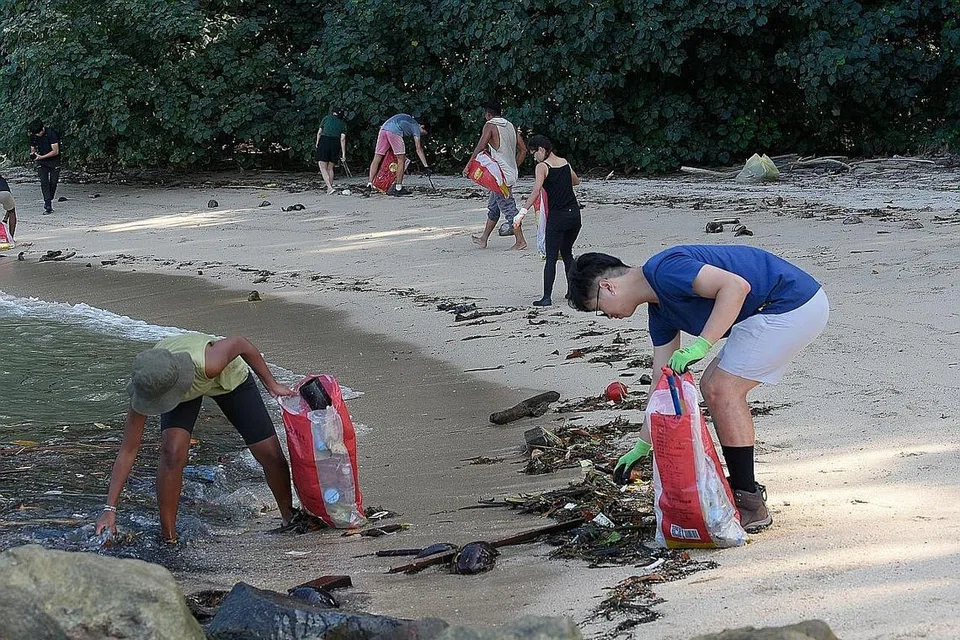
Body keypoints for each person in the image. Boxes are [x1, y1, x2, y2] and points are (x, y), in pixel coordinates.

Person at [565, 246, 829, 532]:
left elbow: (735, 287)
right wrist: (643, 445)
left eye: (598, 310)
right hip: (772, 310)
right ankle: (745, 491)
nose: (607, 317)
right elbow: (661, 381)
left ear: (608, 287)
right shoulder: (660, 311)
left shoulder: (663, 270)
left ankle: (749, 502)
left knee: (721, 389)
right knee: (713, 386)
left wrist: (701, 345)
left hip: (790, 303)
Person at [95, 333, 300, 543]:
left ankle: (288, 517)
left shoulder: (210, 362)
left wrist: (272, 385)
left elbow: (241, 343)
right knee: (172, 453)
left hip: (225, 379)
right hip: (169, 382)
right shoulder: (147, 383)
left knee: (269, 453)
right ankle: (169, 538)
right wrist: (110, 509)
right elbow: (128, 449)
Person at [518, 135, 581, 306]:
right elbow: (575, 181)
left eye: (534, 153)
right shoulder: (564, 162)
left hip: (558, 217)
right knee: (567, 253)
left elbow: (536, 191)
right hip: (574, 215)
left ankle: (546, 297)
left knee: (551, 257)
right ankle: (572, 293)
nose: (534, 157)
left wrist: (522, 211)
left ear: (541, 150)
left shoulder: (542, 167)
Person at [464, 99, 528, 250]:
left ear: (488, 114)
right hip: (509, 173)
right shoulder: (511, 126)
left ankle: (520, 240)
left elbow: (481, 146)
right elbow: (523, 150)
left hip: (499, 177)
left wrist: (469, 165)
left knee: (508, 208)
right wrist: (514, 166)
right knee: (494, 207)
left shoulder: (490, 125)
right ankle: (483, 239)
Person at [367, 113, 431, 196]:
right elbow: (418, 149)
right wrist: (426, 166)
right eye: (422, 133)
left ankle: (369, 184)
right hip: (394, 131)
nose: (420, 135)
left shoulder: (408, 118)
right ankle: (398, 188)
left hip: (383, 129)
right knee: (401, 159)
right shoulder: (415, 126)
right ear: (422, 126)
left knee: (377, 157)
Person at [28, 119, 60, 215]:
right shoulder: (34, 135)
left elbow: (55, 151)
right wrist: (34, 155)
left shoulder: (51, 133)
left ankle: (48, 199)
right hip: (41, 162)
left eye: (39, 132)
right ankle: (48, 205)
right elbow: (33, 148)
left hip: (54, 160)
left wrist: (42, 157)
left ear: (43, 128)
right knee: (44, 182)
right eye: (35, 133)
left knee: (53, 183)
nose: (38, 135)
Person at [315, 108, 348, 195]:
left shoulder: (326, 118)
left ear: (333, 113)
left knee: (322, 166)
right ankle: (329, 188)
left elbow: (319, 132)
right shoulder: (343, 124)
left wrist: (317, 143)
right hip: (335, 143)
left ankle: (329, 187)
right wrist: (343, 154)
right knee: (330, 167)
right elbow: (343, 139)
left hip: (324, 141)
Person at [0, 174, 16, 239]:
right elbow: (9, 210)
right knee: (12, 211)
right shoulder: (2, 180)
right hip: (5, 193)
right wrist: (5, 219)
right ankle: (11, 238)